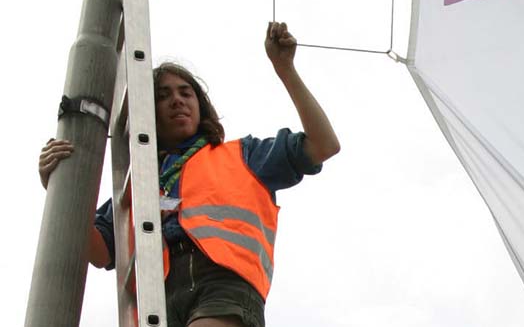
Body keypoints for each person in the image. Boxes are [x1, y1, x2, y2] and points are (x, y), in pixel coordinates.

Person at [37, 22, 340, 327]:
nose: (177, 100)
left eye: (186, 93)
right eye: (163, 95)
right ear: (147, 111)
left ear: (200, 106)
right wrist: (59, 187)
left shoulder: (243, 155)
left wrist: (285, 69)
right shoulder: (139, 183)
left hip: (222, 284)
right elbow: (99, 252)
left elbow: (324, 144)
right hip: (159, 295)